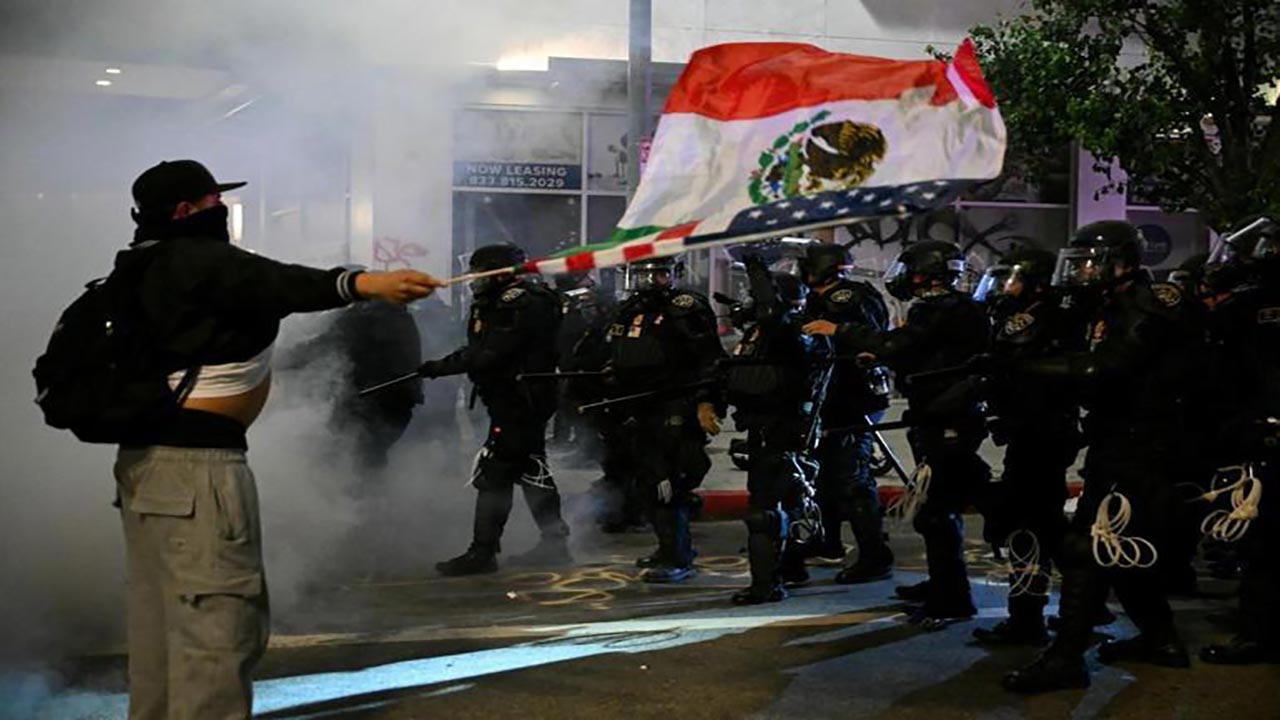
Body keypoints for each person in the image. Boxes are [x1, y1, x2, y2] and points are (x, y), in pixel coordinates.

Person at [113, 159, 441, 720]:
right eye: (214, 201)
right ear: (186, 211)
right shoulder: (197, 260)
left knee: (162, 626)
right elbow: (282, 283)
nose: (223, 210)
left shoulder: (137, 265)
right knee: (216, 630)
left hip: (148, 468)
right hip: (200, 475)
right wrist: (366, 283)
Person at [1004, 221, 1201, 692]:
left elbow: (1105, 366)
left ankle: (1067, 658)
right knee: (1121, 550)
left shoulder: (1148, 304)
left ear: (1125, 262)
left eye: (1093, 262)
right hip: (1120, 441)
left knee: (1088, 546)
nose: (1084, 272)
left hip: (1146, 445)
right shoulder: (1110, 303)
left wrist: (1025, 367)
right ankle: (1162, 639)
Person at [807, 240, 991, 623]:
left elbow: (899, 342)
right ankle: (942, 584)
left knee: (938, 513)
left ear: (928, 273)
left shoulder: (942, 310)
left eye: (913, 270)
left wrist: (841, 330)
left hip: (951, 419)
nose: (907, 278)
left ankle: (953, 599)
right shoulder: (949, 310)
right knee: (935, 510)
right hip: (935, 414)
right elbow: (917, 351)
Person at [418, 243, 572, 576]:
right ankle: (554, 541)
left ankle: (483, 551)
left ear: (499, 271)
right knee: (532, 469)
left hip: (521, 399)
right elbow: (480, 347)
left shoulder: (519, 302)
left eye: (479, 270)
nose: (474, 277)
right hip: (512, 397)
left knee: (495, 474)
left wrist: (441, 367)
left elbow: (492, 352)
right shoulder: (498, 302)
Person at [969, 248, 1083, 645]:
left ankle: (1035, 619)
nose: (1007, 287)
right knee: (1036, 524)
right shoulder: (1049, 315)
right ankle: (1046, 613)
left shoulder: (1041, 318)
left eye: (1014, 279)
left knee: (1034, 526)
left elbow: (1017, 371)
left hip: (1039, 434)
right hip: (1033, 433)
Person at [603, 255, 725, 582]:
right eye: (640, 274)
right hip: (639, 406)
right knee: (647, 480)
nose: (647, 281)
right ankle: (667, 546)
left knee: (668, 481)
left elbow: (710, 359)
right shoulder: (631, 309)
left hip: (674, 405)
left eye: (656, 274)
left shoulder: (685, 307)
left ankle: (678, 556)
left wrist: (705, 403)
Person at [1197, 215, 1280, 665]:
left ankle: (1258, 633)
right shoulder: (1247, 307)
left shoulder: (1251, 308)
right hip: (1258, 431)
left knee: (1263, 541)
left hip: (1263, 435)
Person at [725, 254, 830, 603]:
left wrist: (756, 266)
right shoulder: (766, 332)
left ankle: (766, 584)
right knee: (783, 503)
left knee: (766, 510)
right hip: (763, 426)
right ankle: (790, 567)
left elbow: (773, 313)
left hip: (784, 430)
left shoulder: (792, 331)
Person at [796, 242, 895, 583]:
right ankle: (829, 541)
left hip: (854, 396)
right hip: (826, 397)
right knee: (823, 475)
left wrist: (835, 330)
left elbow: (876, 339)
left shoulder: (850, 296)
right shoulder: (817, 299)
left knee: (853, 477)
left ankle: (874, 554)